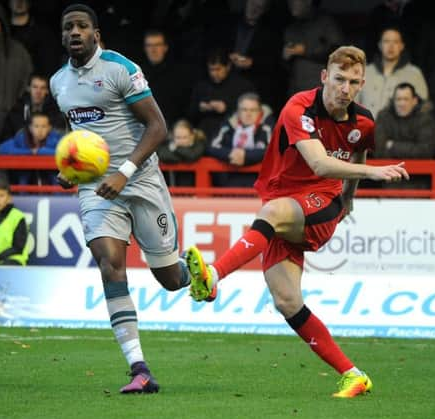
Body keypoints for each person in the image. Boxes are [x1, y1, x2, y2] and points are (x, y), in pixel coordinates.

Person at [185, 46, 409, 398]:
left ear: (362, 83)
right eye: (338, 80)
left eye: (353, 82)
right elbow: (321, 161)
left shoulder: (364, 121)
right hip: (285, 203)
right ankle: (354, 375)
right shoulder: (298, 108)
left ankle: (211, 277)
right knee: (287, 300)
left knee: (271, 215)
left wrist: (348, 198)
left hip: (321, 203)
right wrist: (371, 172)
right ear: (324, 77)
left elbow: (357, 150)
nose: (345, 89)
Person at [50, 4, 193, 394]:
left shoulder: (120, 68)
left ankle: (193, 271)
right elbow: (76, 131)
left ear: (96, 33)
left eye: (81, 26)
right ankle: (139, 368)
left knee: (169, 279)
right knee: (109, 263)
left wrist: (124, 172)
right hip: (97, 188)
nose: (74, 32)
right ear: (62, 36)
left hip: (141, 181)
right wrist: (72, 168)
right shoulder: (58, 82)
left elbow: (158, 125)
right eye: (68, 28)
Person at [0, 2, 33, 183]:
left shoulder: (18, 53)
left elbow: (27, 88)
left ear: (3, 22)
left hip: (8, 126)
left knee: (3, 184)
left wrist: (13, 114)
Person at [374, 82, 435, 189]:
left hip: (419, 181)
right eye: (398, 99)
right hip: (388, 180)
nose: (401, 103)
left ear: (414, 101)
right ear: (393, 101)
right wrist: (411, 148)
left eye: (406, 99)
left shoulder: (426, 119)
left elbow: (426, 151)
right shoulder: (383, 117)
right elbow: (378, 149)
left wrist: (392, 145)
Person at [355, 27, 428, 117]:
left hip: (398, 129)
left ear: (402, 46)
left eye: (395, 42)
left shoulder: (414, 74)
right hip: (366, 128)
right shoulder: (365, 72)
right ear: (380, 45)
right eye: (386, 41)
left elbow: (423, 107)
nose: (391, 46)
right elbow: (353, 103)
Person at [207, 92, 274, 187]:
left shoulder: (267, 126)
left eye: (253, 110)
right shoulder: (229, 124)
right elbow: (211, 147)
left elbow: (273, 150)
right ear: (238, 111)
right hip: (230, 184)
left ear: (260, 111)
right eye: (244, 110)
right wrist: (230, 154)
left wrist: (246, 156)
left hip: (259, 184)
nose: (248, 114)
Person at [188, 48, 255, 140]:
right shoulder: (202, 86)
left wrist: (226, 108)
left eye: (218, 69)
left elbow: (252, 111)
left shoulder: (242, 85)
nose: (214, 73)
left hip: (232, 132)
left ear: (228, 66)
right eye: (211, 70)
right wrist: (200, 107)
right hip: (204, 133)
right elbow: (190, 112)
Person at [283, 0, 344, 96]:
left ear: (308, 2)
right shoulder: (290, 29)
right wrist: (285, 58)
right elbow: (285, 68)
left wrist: (306, 50)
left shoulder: (325, 23)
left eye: (295, 1)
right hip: (296, 92)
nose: (291, 4)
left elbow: (338, 52)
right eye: (289, 1)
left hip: (321, 90)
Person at [140, 29, 198, 127]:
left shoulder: (179, 73)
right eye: (149, 45)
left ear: (165, 48)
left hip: (173, 128)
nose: (153, 50)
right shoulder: (137, 73)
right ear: (145, 49)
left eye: (157, 45)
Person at [0, 112, 61, 185]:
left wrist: (40, 151)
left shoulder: (57, 139)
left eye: (44, 126)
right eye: (36, 126)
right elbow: (2, 149)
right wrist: (29, 151)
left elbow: (65, 152)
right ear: (30, 128)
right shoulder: (21, 138)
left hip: (54, 190)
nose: (40, 130)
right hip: (24, 189)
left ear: (49, 128)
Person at [1, 74, 66, 141]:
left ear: (47, 91)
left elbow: (59, 136)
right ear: (28, 89)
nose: (38, 92)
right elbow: (6, 138)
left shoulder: (55, 112)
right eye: (35, 87)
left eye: (42, 88)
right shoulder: (17, 111)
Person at [0, 178, 29, 266]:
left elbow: (18, 247)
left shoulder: (18, 217)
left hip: (12, 261)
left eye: (1, 196)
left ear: (9, 198)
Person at [9, 0, 61, 77]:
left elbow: (49, 63)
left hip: (34, 84)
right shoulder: (2, 32)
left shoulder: (43, 33)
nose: (19, 2)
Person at [157, 119, 206, 186]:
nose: (181, 141)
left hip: (196, 187)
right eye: (178, 137)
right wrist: (183, 157)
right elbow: (163, 155)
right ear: (173, 137)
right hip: (174, 187)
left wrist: (175, 149)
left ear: (192, 136)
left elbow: (192, 156)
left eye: (185, 137)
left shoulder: (199, 143)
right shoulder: (167, 143)